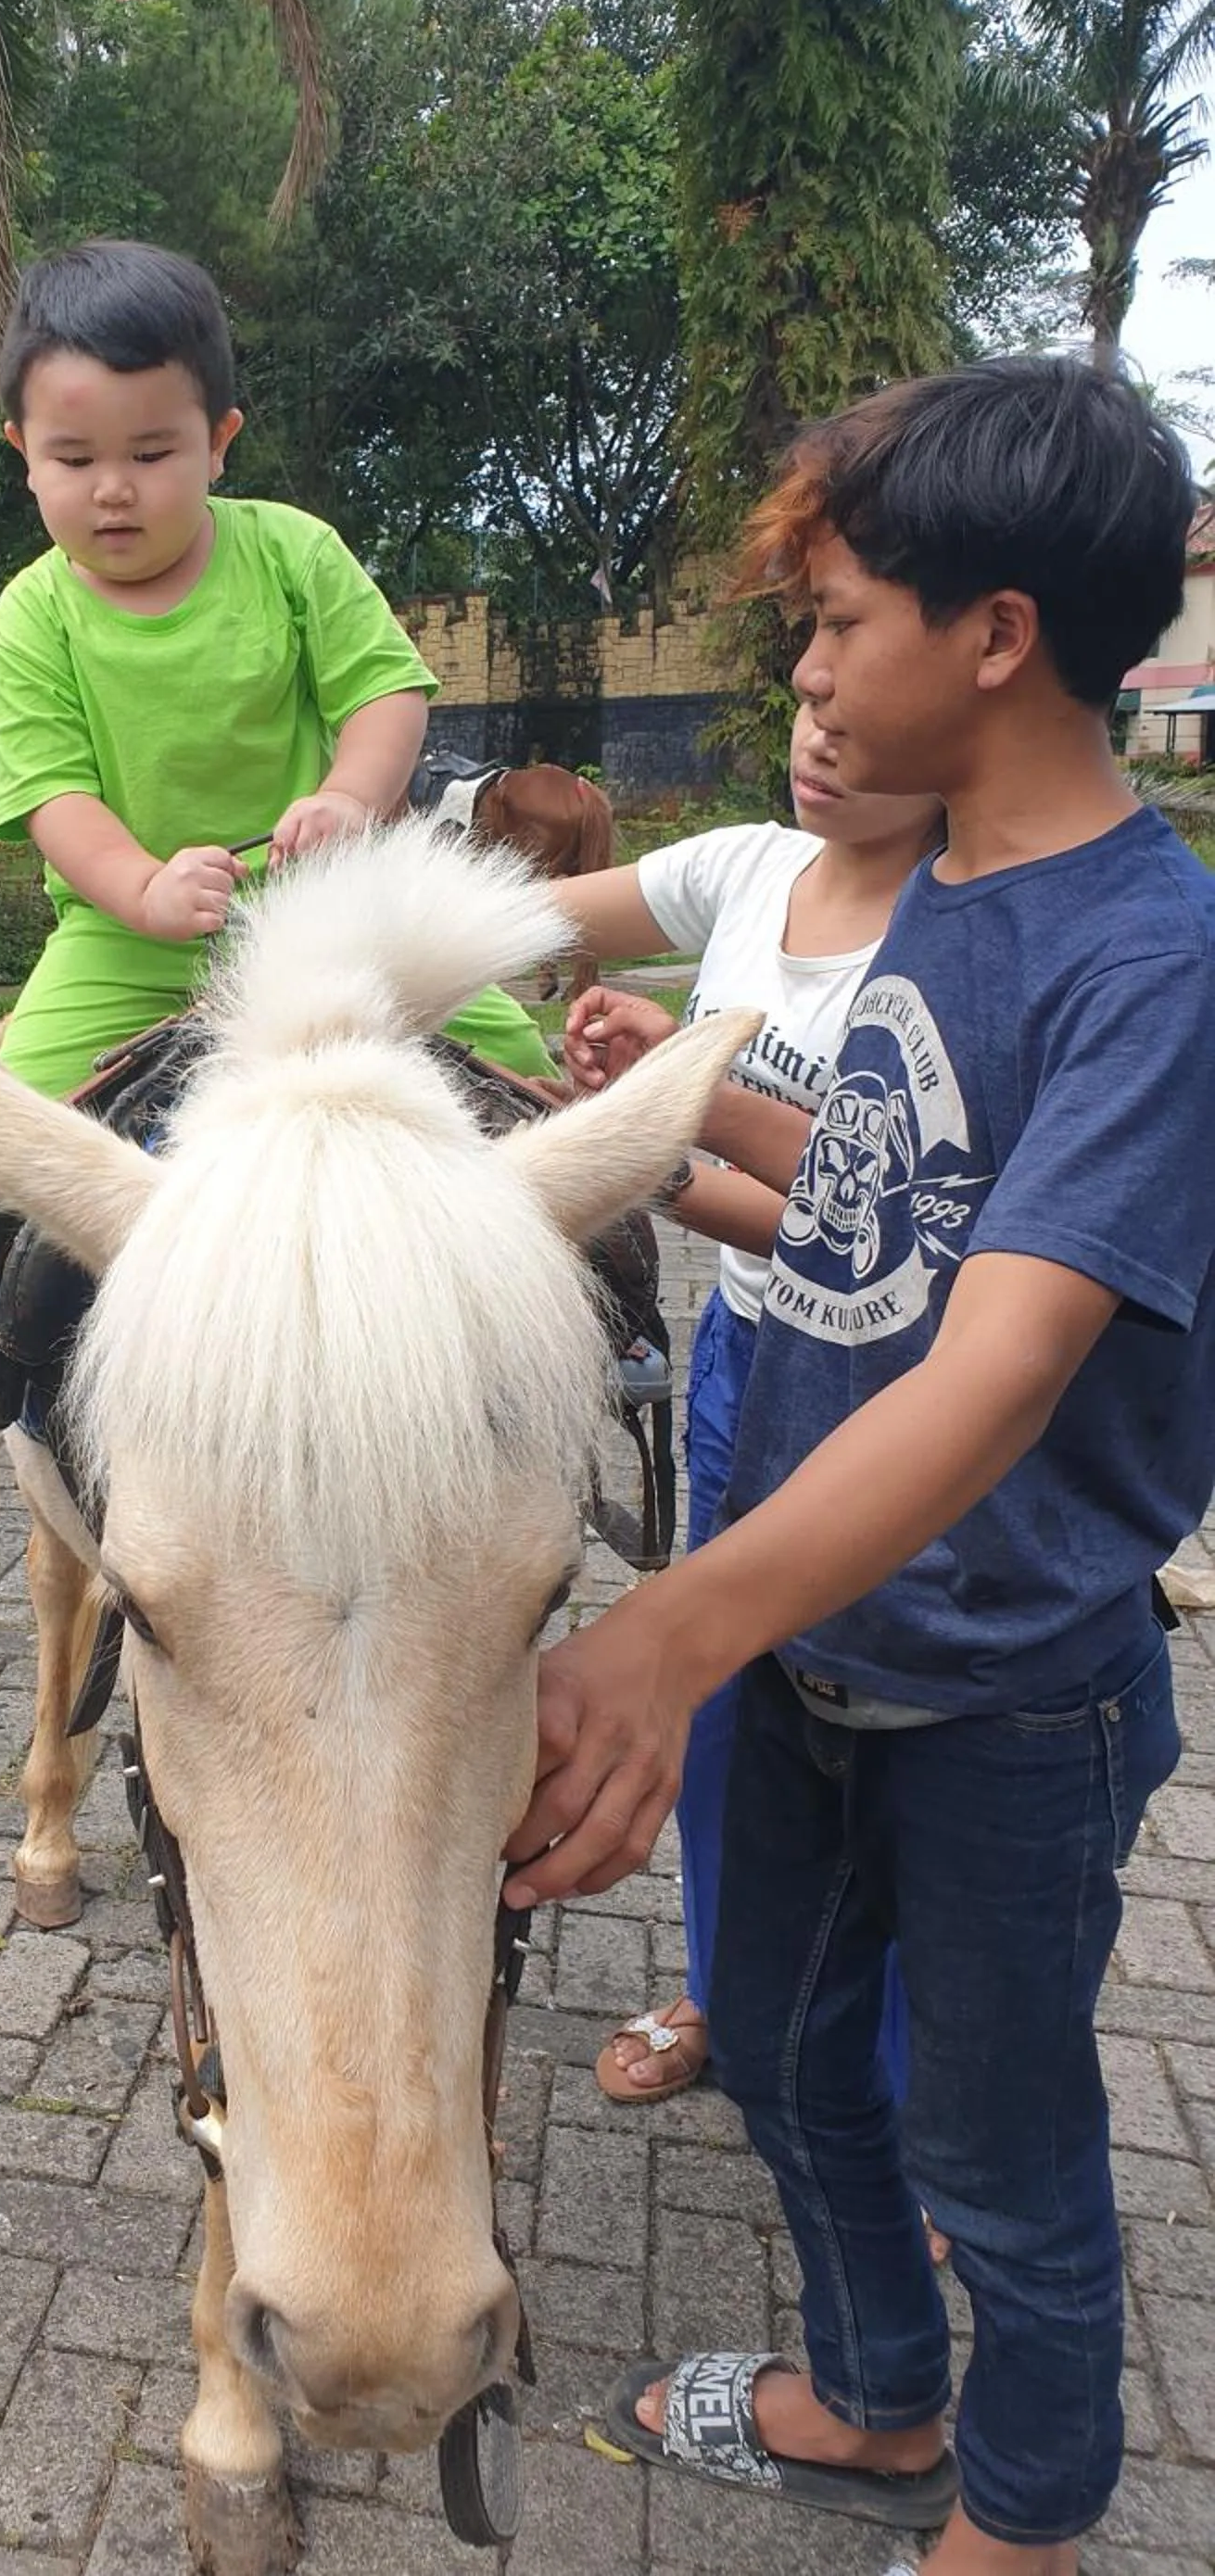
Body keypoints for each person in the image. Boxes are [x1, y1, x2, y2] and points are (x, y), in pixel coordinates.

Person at [504, 354, 1208, 2576]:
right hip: (817, 1642)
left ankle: (1029, 2514)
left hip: (1006, 1693)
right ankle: (882, 2403)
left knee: (1002, 2149)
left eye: (835, 623)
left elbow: (998, 1366)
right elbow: (887, 1190)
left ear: (996, 637)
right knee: (803, 2065)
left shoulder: (1149, 959)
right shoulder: (930, 897)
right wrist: (684, 1111)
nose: (806, 672)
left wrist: (666, 1635)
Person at [0, 239, 552, 1513]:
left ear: (219, 441)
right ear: (22, 454)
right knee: (3, 1135)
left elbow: (386, 697)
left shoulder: (292, 556)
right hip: (125, 936)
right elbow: (54, 798)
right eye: (74, 459)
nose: (113, 490)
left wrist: (349, 800)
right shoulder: (32, 616)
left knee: (510, 1055)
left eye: (151, 452)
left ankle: (593, 1299)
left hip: (324, 913)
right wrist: (137, 888)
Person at [547, 728, 943, 2104]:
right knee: (726, 1698)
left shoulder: (962, 927)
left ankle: (912, 2079)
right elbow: (524, 912)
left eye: (858, 646)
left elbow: (884, 1237)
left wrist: (676, 1113)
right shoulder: (749, 868)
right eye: (813, 651)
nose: (824, 718)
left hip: (893, 1373)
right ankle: (735, 1990)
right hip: (746, 1350)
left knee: (894, 1730)